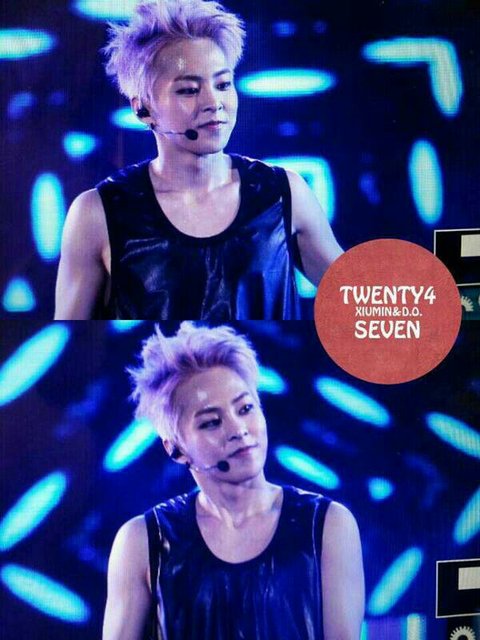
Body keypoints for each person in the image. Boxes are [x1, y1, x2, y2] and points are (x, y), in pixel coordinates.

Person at [54, 0, 343, 320]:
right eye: (189, 90)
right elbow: (70, 336)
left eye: (223, 84)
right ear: (142, 109)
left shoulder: (283, 193)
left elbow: (362, 305)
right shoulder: (98, 213)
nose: (214, 102)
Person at [102, 323, 364, 640]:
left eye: (245, 408)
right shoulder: (142, 541)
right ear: (175, 448)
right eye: (212, 422)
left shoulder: (327, 525)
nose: (239, 429)